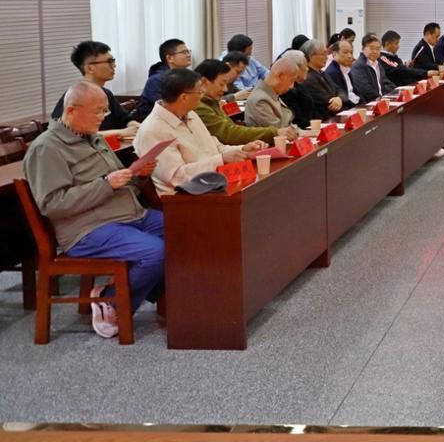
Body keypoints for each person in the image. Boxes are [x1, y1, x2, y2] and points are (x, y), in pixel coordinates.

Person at [24, 81, 164, 338]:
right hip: (88, 229)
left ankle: (168, 297)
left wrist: (139, 176)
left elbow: (122, 187)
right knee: (155, 252)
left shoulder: (94, 138)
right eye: (98, 111)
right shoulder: (47, 148)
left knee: (185, 230)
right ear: (71, 110)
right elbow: (53, 204)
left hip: (128, 215)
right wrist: (106, 184)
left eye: (105, 110)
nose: (103, 117)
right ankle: (110, 300)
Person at [134, 69, 264, 195]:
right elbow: (177, 177)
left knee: (259, 187)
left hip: (214, 183)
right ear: (184, 97)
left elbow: (216, 148)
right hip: (185, 197)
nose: (202, 95)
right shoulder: (153, 130)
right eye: (199, 91)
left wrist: (242, 149)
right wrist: (220, 160)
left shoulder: (191, 114)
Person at [193, 58, 285, 145]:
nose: (225, 89)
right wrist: (274, 132)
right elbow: (229, 134)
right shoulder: (198, 107)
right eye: (221, 84)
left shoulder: (211, 102)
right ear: (204, 82)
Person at [50, 41, 136, 131]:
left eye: (113, 61)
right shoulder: (73, 97)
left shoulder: (106, 93)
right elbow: (69, 134)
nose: (114, 65)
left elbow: (125, 119)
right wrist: (120, 132)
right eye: (109, 62)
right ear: (90, 68)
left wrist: (135, 126)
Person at [134, 39, 192, 121]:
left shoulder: (186, 76)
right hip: (156, 122)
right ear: (169, 58)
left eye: (188, 52)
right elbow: (169, 107)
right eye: (184, 52)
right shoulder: (156, 80)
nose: (188, 55)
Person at [244, 57, 301, 129]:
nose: (291, 86)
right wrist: (300, 132)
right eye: (291, 80)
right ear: (280, 75)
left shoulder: (271, 93)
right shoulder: (260, 100)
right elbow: (279, 130)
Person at [296, 39, 344, 121]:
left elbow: (340, 90)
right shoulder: (307, 77)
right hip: (321, 119)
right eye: (323, 54)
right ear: (311, 56)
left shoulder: (323, 73)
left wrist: (339, 98)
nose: (327, 57)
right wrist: (338, 99)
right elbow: (328, 101)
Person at [350, 33, 397, 103]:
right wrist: (382, 100)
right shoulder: (359, 66)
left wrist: (396, 92)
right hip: (370, 103)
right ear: (363, 48)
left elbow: (385, 82)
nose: (375, 51)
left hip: (382, 100)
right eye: (371, 48)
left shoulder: (378, 63)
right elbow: (366, 90)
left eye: (378, 49)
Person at [278, 50, 317, 128]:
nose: (307, 69)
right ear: (296, 68)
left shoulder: (299, 85)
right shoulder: (287, 90)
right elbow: (297, 119)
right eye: (305, 66)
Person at [324, 39, 360, 108]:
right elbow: (344, 98)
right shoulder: (332, 72)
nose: (349, 56)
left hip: (356, 104)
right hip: (348, 108)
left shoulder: (346, 69)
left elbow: (355, 92)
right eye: (345, 52)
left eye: (351, 52)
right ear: (334, 54)